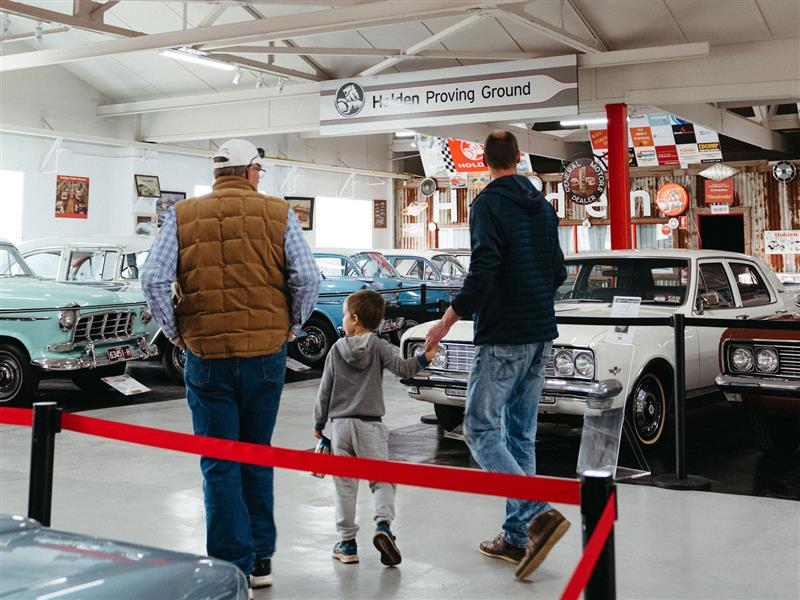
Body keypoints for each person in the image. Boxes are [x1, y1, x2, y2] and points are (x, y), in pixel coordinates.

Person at [141, 138, 320, 591]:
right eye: (260, 171)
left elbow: (153, 278)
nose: (261, 179)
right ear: (249, 170)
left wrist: (178, 332)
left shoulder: (181, 216)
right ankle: (260, 561)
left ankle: (229, 564)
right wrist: (291, 326)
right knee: (255, 454)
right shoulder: (279, 215)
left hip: (207, 359)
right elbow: (306, 277)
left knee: (219, 461)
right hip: (265, 355)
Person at [425, 130, 568, 581]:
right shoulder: (543, 206)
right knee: (520, 436)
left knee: (479, 428)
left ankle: (538, 514)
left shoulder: (488, 204)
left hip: (504, 334)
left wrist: (447, 321)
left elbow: (485, 267)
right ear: (520, 158)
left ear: (484, 161)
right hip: (541, 332)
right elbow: (559, 270)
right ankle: (516, 538)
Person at [313, 289, 438, 567]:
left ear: (354, 319)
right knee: (382, 479)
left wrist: (319, 425)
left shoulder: (336, 349)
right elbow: (404, 369)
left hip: (341, 427)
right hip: (370, 426)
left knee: (345, 487)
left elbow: (325, 390)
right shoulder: (380, 347)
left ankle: (347, 544)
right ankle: (383, 526)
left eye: (345, 315)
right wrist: (424, 358)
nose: (344, 319)